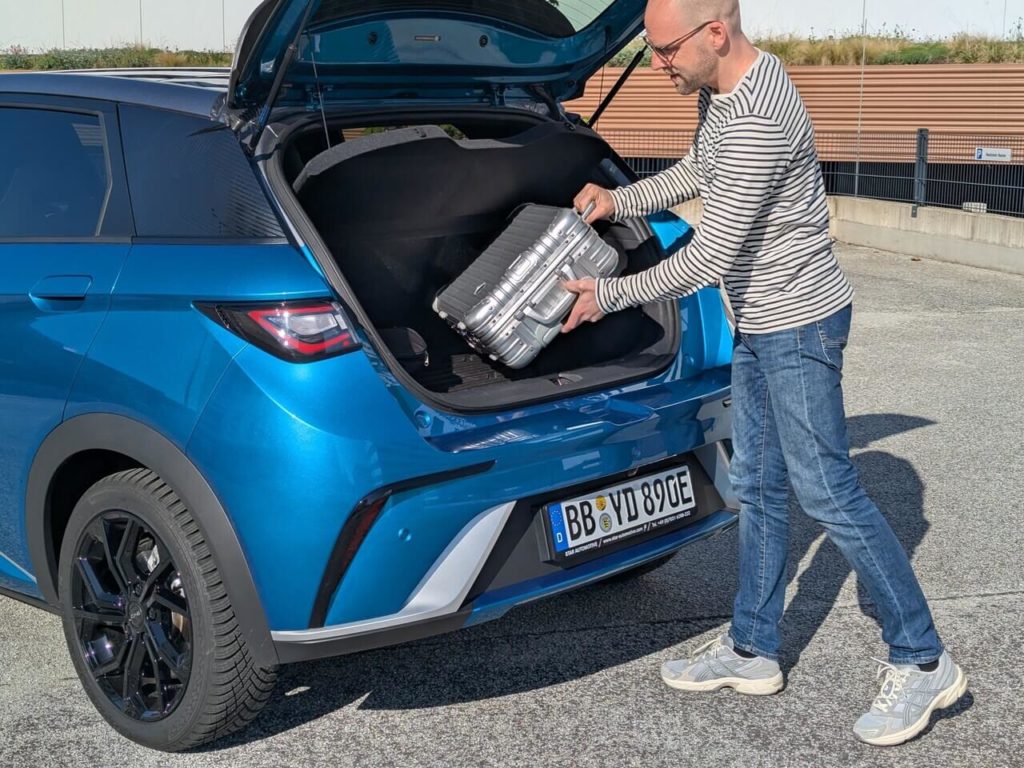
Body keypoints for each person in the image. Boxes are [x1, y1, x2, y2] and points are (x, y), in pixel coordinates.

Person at [562, 0, 967, 747]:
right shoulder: (728, 88)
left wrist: (607, 296)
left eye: (665, 51)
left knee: (827, 489)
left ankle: (923, 658)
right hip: (758, 320)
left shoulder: (757, 118)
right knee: (757, 483)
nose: (657, 65)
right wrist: (621, 197)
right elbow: (699, 170)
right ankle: (752, 648)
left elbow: (710, 256)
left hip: (800, 323)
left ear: (715, 33)